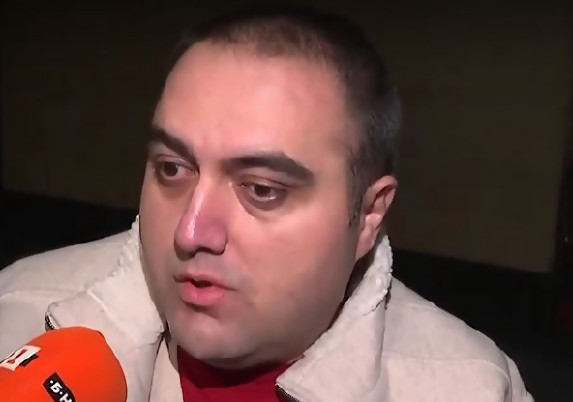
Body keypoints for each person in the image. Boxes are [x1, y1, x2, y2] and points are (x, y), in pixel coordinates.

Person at [0, 5, 533, 401]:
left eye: (261, 189)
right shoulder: (16, 312)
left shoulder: (472, 388)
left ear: (369, 215)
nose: (191, 231)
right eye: (173, 169)